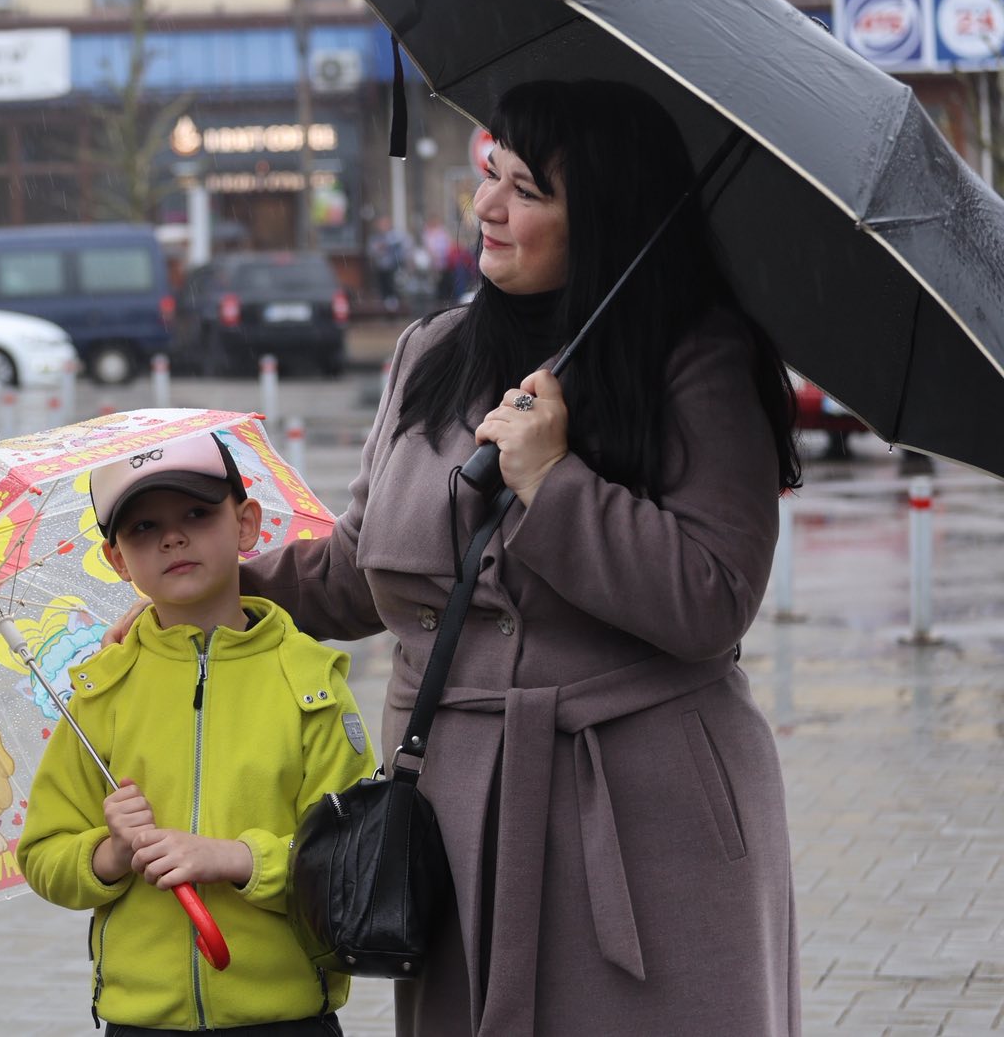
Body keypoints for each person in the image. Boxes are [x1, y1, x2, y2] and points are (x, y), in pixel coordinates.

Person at [244, 79, 804, 1035]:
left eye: (529, 190)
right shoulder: (433, 353)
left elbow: (713, 597)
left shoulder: (698, 360)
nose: (488, 207)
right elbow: (359, 570)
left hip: (643, 811)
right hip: (459, 811)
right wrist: (215, 580)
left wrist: (557, 480)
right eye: (490, 175)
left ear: (608, 215)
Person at [19, 431, 376, 1035]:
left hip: (288, 1016)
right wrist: (112, 855)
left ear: (245, 524)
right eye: (141, 528)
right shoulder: (101, 691)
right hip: (140, 1019)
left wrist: (238, 860)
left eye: (196, 513)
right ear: (116, 560)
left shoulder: (310, 682)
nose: (172, 537)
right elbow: (42, 854)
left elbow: (355, 861)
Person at [367, 216, 407, 311]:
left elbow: (400, 248)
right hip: (380, 266)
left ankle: (393, 302)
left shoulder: (394, 236)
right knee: (382, 284)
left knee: (392, 284)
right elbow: (372, 250)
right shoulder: (375, 237)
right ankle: (384, 302)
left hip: (392, 266)